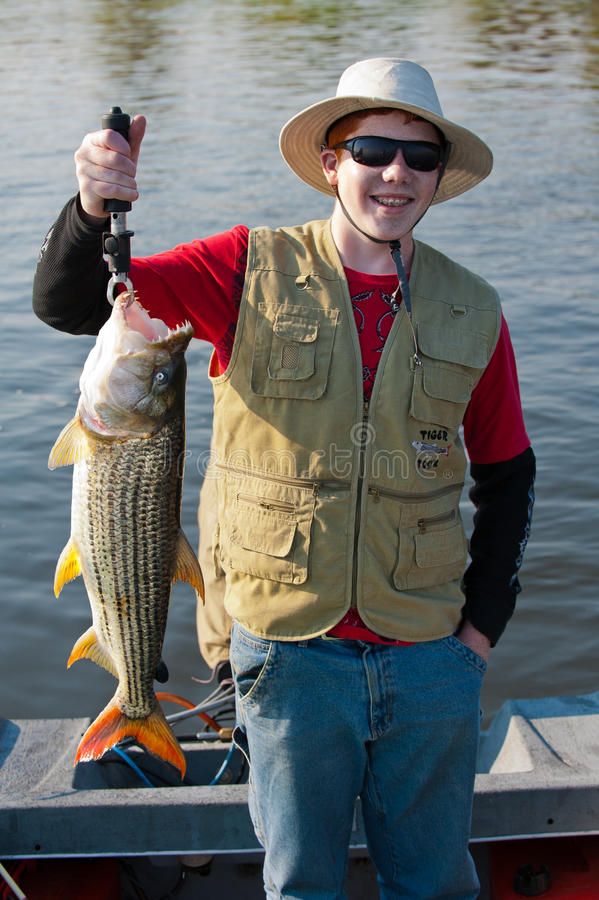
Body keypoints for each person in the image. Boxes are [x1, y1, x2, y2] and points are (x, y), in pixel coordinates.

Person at [33, 58, 535, 899]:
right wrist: (92, 209)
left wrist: (478, 632)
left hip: (429, 658)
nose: (395, 174)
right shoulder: (242, 267)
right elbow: (74, 303)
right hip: (286, 658)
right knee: (300, 884)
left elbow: (509, 476)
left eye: (419, 157)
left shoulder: (473, 306)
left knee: (437, 885)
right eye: (373, 149)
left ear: (439, 176)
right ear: (332, 162)